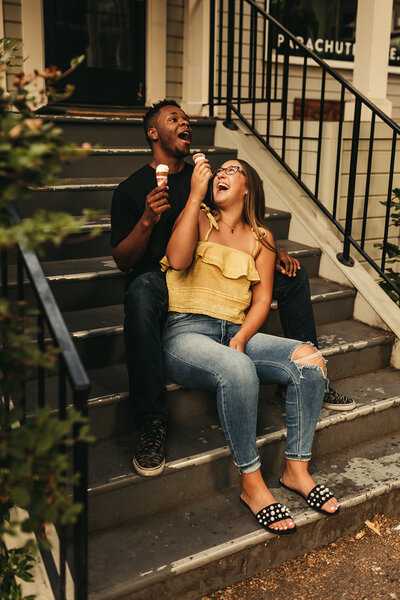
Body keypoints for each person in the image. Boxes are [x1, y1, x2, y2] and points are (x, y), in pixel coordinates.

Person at [110, 99, 353, 479]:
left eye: (187, 119)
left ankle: (309, 382)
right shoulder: (132, 189)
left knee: (294, 276)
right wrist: (145, 219)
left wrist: (271, 252)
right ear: (153, 133)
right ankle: (151, 421)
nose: (185, 123)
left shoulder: (204, 180)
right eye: (175, 119)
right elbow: (122, 259)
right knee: (140, 292)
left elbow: (232, 225)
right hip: (159, 274)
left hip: (206, 270)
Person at [161, 158, 339, 533]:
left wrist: (241, 337)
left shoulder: (262, 239)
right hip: (187, 333)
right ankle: (253, 484)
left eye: (232, 170)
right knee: (238, 368)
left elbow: (261, 301)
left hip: (236, 332)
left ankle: (297, 470)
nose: (221, 174)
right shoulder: (198, 217)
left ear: (247, 189)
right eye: (219, 171)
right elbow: (177, 261)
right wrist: (194, 194)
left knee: (309, 360)